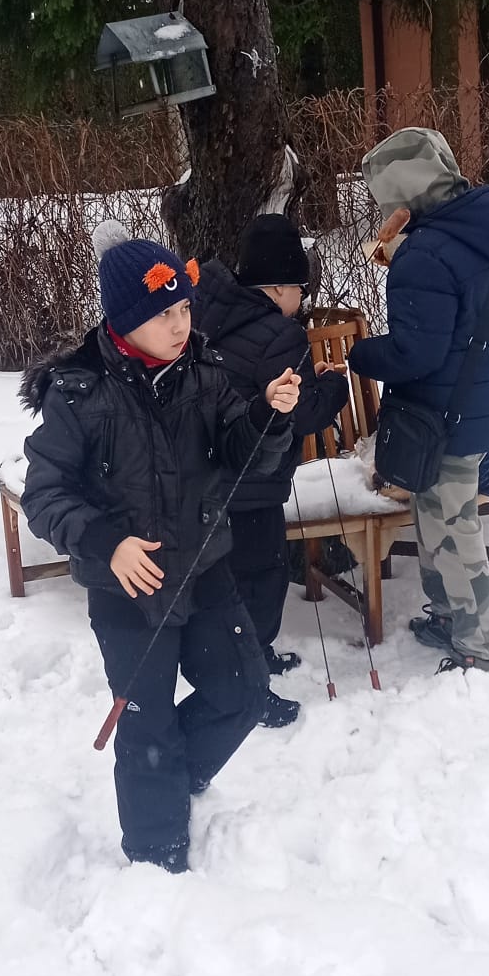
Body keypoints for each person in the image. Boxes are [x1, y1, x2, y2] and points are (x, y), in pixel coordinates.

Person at [19, 220, 301, 873]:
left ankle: (177, 776)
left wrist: (267, 415)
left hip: (204, 569)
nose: (180, 325)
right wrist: (106, 542)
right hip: (128, 589)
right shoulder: (79, 391)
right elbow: (45, 493)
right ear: (125, 320)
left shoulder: (203, 371)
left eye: (184, 309)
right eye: (163, 314)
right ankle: (155, 854)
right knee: (146, 723)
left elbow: (241, 452)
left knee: (243, 691)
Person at [349, 128, 489, 674]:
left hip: (444, 411)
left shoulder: (424, 253)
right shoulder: (484, 229)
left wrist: (361, 355)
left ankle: (477, 647)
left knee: (452, 527)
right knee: (436, 517)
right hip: (480, 400)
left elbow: (415, 353)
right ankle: (450, 619)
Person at [194, 213, 350, 726]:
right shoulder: (280, 334)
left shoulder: (208, 312)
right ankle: (249, 689)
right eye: (299, 289)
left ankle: (252, 659)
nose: (301, 300)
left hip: (210, 476)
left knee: (234, 578)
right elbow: (302, 413)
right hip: (253, 482)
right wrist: (333, 386)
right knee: (260, 582)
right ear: (279, 286)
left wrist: (306, 379)